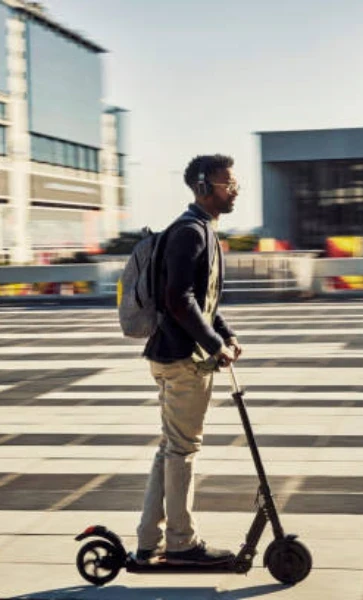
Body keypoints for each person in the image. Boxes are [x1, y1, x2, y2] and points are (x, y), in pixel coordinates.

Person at [135, 154, 244, 566]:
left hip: (178, 353)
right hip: (182, 359)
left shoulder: (201, 230)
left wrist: (225, 334)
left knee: (171, 448)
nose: (233, 191)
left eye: (234, 184)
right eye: (227, 184)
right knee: (182, 450)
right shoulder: (190, 233)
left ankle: (150, 539)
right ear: (202, 187)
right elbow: (178, 300)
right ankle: (181, 543)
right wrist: (214, 345)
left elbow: (203, 301)